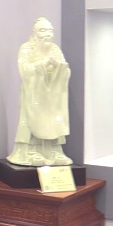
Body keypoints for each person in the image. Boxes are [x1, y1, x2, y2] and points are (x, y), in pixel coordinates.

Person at [7, 17, 73, 166]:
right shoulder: (26, 48)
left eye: (50, 30)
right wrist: (42, 64)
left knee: (53, 119)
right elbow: (24, 70)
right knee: (30, 119)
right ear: (35, 32)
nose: (47, 34)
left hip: (52, 94)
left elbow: (66, 70)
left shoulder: (55, 49)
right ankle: (30, 151)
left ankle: (53, 151)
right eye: (43, 30)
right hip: (34, 93)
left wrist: (59, 66)